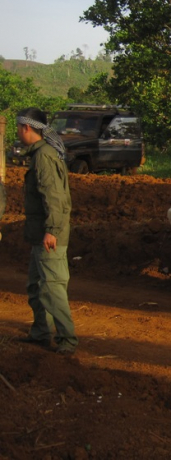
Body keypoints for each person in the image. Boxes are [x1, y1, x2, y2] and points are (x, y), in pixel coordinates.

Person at [15, 108, 78, 355]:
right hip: (41, 234)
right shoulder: (42, 154)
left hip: (49, 235)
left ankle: (67, 340)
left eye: (18, 128)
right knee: (37, 286)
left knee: (52, 288)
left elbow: (54, 197)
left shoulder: (43, 157)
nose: (18, 133)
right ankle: (41, 332)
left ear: (27, 128)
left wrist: (51, 230)